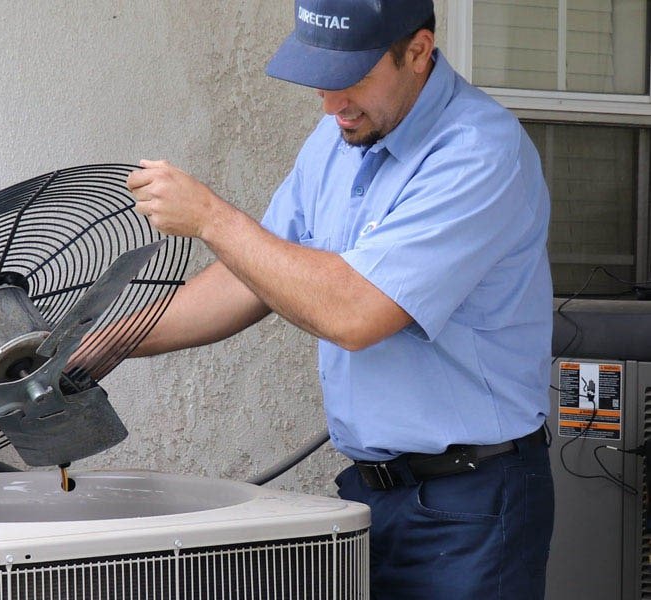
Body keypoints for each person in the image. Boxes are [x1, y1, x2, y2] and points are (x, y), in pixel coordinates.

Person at [124, 0, 554, 597]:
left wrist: (209, 218)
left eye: (351, 79)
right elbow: (251, 275)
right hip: (367, 496)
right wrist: (92, 346)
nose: (331, 105)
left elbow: (356, 313)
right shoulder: (335, 140)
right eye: (320, 82)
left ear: (419, 51)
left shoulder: (479, 150)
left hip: (472, 501)